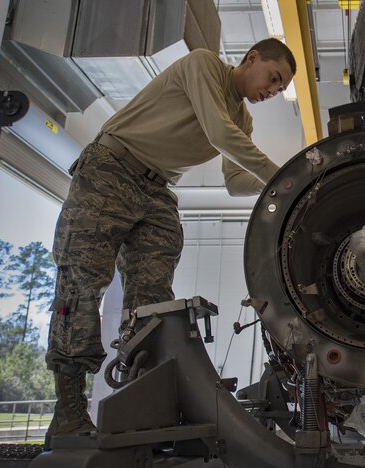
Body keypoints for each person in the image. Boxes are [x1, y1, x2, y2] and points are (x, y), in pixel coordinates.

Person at [45, 39, 296, 444]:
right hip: (111, 168)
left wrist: (282, 185)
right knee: (81, 285)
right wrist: (287, 175)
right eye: (274, 78)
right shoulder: (204, 66)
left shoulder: (242, 122)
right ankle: (69, 411)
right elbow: (218, 134)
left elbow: (234, 183)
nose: (272, 91)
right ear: (253, 58)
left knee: (153, 306)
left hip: (156, 190)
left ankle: (138, 404)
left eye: (280, 89)